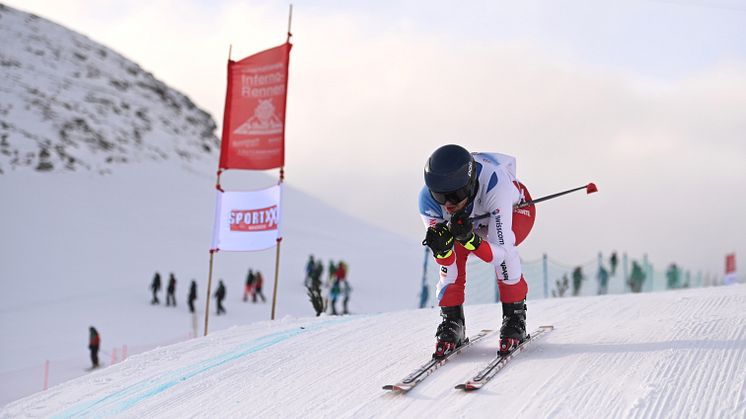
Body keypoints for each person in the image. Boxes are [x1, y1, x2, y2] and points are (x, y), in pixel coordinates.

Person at [420, 144, 529, 357]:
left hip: (515, 212)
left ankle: (515, 317)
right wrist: (443, 250)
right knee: (452, 249)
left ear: (470, 185)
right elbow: (445, 258)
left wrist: (470, 239)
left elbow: (500, 254)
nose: (448, 204)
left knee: (506, 256)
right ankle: (452, 321)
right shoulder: (426, 200)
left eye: (456, 195)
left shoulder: (496, 185)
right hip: (471, 222)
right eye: (440, 197)